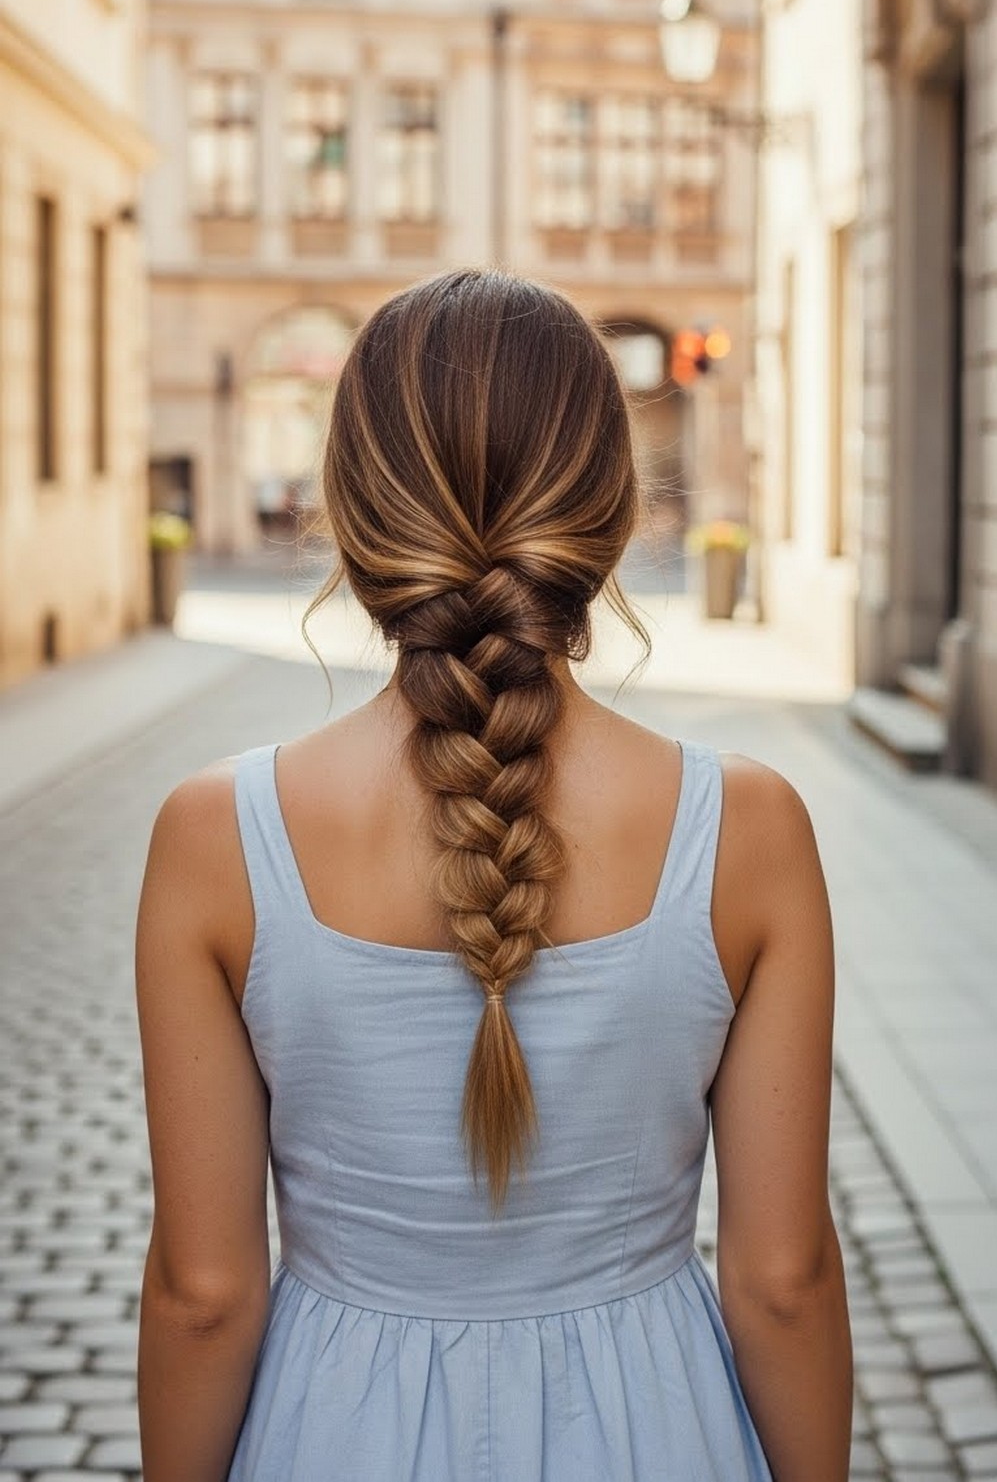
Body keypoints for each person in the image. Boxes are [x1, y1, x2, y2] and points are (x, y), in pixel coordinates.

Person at [135, 268, 853, 1482]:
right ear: (612, 511)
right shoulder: (750, 829)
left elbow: (203, 1293)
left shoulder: (216, 836)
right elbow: (782, 1282)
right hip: (652, 1429)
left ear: (350, 509)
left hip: (336, 1431)